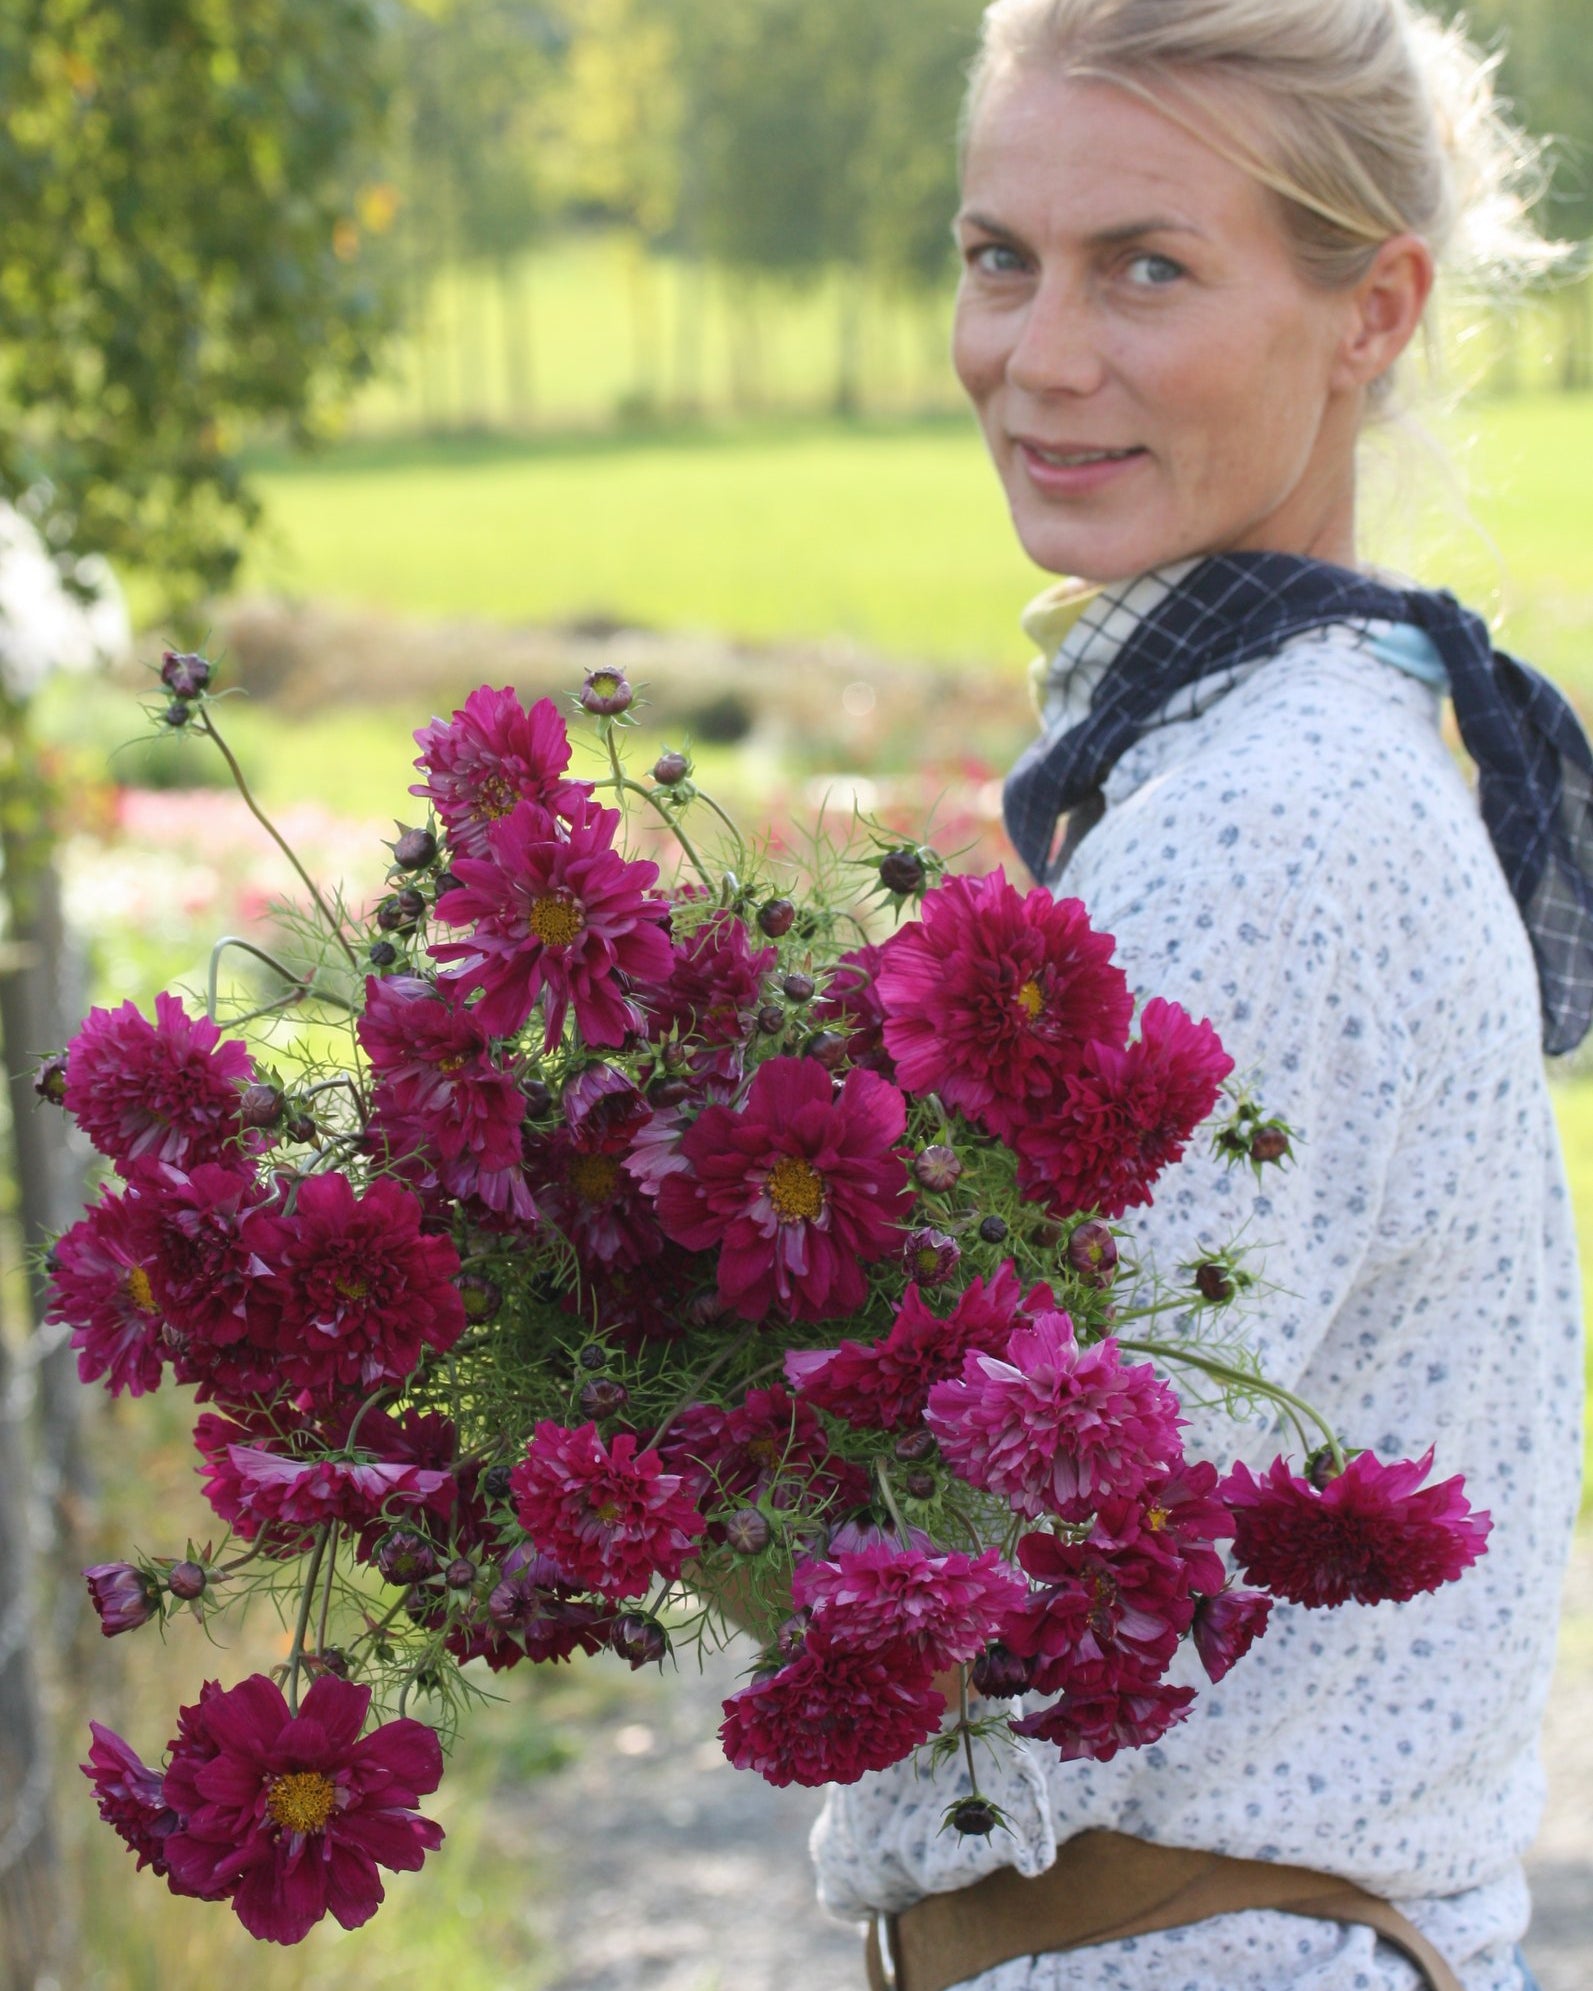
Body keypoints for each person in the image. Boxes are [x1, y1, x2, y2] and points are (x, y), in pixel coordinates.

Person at [810, 3, 1586, 1988]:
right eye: (1000, 258)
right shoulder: (1265, 755)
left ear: (1369, 310)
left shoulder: (1261, 830)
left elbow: (1032, 1564)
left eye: (1144, 268)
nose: (1036, 356)